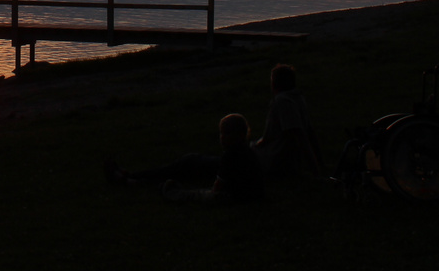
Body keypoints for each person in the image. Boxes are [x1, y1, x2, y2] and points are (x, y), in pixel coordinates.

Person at [106, 113, 264, 204]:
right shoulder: (248, 153)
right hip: (244, 195)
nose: (221, 138)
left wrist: (214, 191)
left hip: (230, 197)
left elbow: (219, 185)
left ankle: (159, 187)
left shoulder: (230, 157)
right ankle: (134, 178)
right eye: (221, 134)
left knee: (192, 194)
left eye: (225, 134)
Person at [251, 63, 323, 177]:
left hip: (273, 160)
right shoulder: (298, 99)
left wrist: (316, 171)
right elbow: (310, 133)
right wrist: (319, 163)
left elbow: (300, 135)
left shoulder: (283, 102)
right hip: (282, 160)